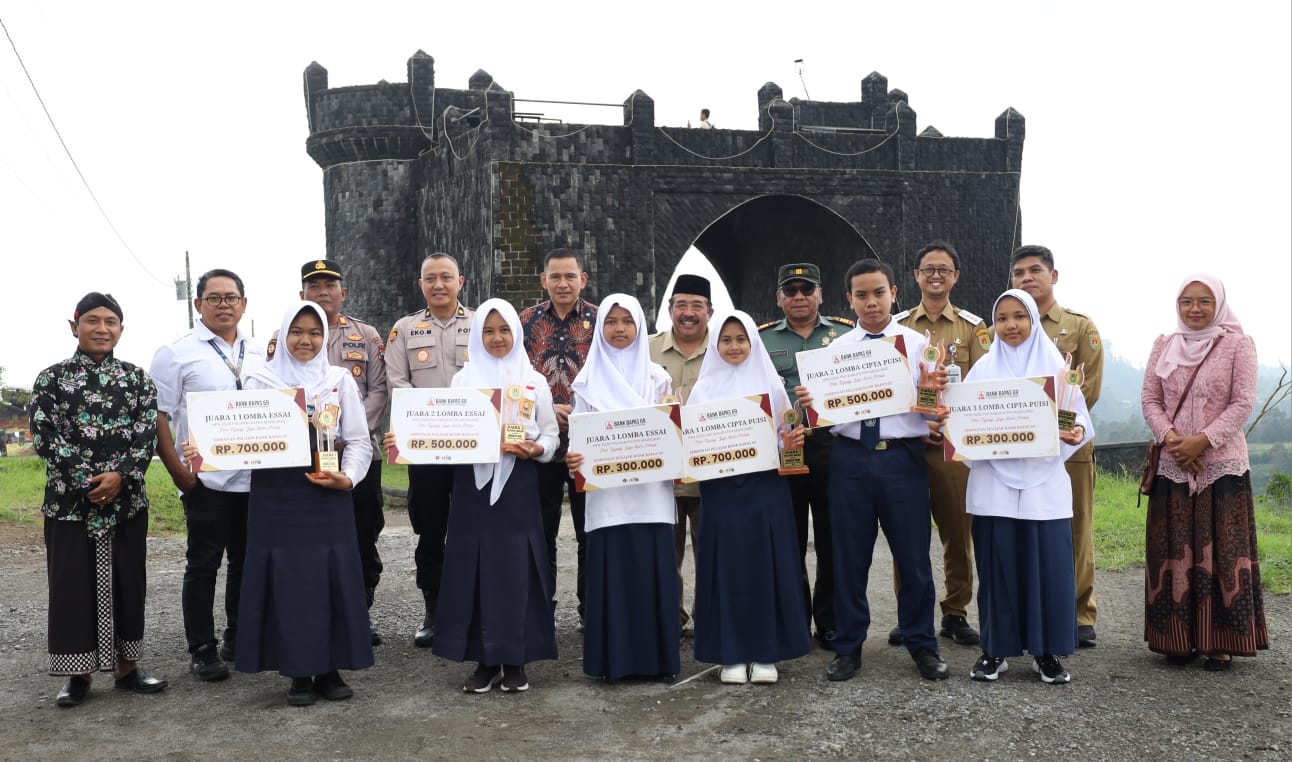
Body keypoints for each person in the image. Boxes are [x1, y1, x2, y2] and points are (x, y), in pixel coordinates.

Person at [203, 302, 374, 705]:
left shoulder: (338, 380)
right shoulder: (261, 380)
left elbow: (360, 440)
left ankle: (330, 669)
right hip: (277, 496)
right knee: (289, 582)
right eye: (297, 331)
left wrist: (346, 477)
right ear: (282, 336)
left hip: (327, 493)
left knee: (329, 577)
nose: (306, 340)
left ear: (325, 337)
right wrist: (205, 449)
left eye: (315, 332)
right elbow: (238, 435)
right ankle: (297, 671)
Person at [797, 258, 949, 682]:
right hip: (849, 458)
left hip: (902, 458)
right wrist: (811, 405)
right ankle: (848, 647)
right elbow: (819, 417)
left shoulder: (918, 346)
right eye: (861, 295)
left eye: (878, 293)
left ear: (894, 293)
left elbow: (934, 410)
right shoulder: (832, 353)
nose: (871, 302)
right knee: (849, 558)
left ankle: (923, 644)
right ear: (849, 299)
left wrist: (935, 407)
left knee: (914, 557)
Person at [31, 292, 167, 707]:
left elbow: (147, 436)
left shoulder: (138, 379)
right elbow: (45, 436)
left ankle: (128, 669)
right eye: (93, 320)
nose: (102, 328)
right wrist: (88, 481)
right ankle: (78, 675)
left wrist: (120, 477)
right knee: (71, 587)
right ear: (74, 326)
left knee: (129, 582)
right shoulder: (50, 380)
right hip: (69, 504)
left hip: (126, 504)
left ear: (121, 330)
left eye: (111, 321)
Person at [425, 299, 559, 693]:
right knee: (475, 567)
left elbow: (550, 434)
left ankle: (515, 658)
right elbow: (446, 432)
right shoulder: (463, 382)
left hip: (518, 482)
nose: (497, 338)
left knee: (517, 567)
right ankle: (484, 659)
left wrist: (537, 449)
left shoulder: (534, 381)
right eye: (488, 331)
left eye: (504, 330)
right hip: (473, 487)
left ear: (516, 334)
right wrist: (414, 440)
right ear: (477, 335)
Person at [963, 289, 1091, 685]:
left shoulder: (1056, 368)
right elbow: (962, 420)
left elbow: (1080, 421)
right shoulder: (983, 370)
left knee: (1047, 569)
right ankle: (995, 650)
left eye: (1019, 316)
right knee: (998, 568)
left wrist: (1075, 433)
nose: (1011, 325)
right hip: (993, 484)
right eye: (1002, 318)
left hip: (1044, 487)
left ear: (1034, 320)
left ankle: (1046, 652)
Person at [1141, 274, 1266, 671]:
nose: (1194, 309)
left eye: (1204, 301)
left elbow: (1242, 402)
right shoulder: (1164, 344)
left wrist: (1204, 441)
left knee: (1222, 555)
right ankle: (1176, 639)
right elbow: (1150, 397)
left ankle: (1220, 642)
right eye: (1186, 302)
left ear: (1219, 305)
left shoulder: (1237, 345)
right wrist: (1174, 439)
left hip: (1222, 467)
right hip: (1173, 466)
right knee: (1172, 553)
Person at [150, 268, 266, 681]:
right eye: (213, 298)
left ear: (244, 304)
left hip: (255, 479)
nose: (223, 304)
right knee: (203, 564)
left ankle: (238, 635)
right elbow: (158, 414)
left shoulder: (260, 351)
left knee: (247, 561)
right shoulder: (176, 352)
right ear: (198, 304)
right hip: (206, 481)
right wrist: (179, 472)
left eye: (231, 297)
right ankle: (202, 648)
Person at [268, 260, 389, 646]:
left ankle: (358, 612)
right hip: (295, 469)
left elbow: (379, 390)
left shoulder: (367, 335)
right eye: (314, 285)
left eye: (330, 285)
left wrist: (336, 433)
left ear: (343, 292)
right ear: (302, 294)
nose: (322, 291)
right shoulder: (277, 345)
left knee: (361, 536)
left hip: (355, 457)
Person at [689, 311, 811, 685]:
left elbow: (782, 435)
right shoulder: (702, 390)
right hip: (721, 492)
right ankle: (730, 654)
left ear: (753, 343)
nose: (734, 346)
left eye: (741, 339)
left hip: (764, 488)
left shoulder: (771, 387)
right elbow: (690, 443)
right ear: (715, 344)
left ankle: (765, 651)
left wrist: (790, 442)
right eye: (726, 340)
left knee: (764, 564)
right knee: (725, 567)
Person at [566, 294, 681, 680]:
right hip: (608, 499)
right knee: (613, 576)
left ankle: (657, 662)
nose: (619, 329)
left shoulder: (658, 378)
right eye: (611, 321)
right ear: (600, 327)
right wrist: (574, 459)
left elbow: (669, 433)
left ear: (638, 326)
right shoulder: (586, 382)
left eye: (627, 321)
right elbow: (578, 441)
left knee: (651, 574)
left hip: (651, 496)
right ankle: (613, 663)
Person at [890, 241, 991, 647]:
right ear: (915, 276)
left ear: (955, 276)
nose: (936, 275)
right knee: (906, 534)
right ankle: (909, 613)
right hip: (909, 443)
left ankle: (955, 611)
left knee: (956, 533)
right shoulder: (897, 328)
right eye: (928, 268)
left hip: (952, 445)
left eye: (944, 269)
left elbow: (984, 385)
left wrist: (946, 425)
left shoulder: (974, 327)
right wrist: (919, 424)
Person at [1010, 245, 1103, 648]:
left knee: (1074, 529)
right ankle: (1034, 611)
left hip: (1070, 449)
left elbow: (1088, 392)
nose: (1026, 278)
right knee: (1026, 529)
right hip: (1018, 452)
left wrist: (1052, 432)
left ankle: (1081, 614)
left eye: (1035, 271)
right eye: (1018, 273)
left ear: (1054, 276)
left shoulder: (1079, 327)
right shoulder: (1008, 322)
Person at [759, 263, 853, 649]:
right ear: (779, 297)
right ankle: (794, 619)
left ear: (821, 294)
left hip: (832, 445)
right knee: (789, 537)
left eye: (806, 290)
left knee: (833, 538)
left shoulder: (845, 335)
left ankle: (829, 622)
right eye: (791, 290)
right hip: (785, 447)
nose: (799, 297)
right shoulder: (761, 340)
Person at [385, 253, 474, 647]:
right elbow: (397, 384)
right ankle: (434, 609)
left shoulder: (482, 324)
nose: (438, 285)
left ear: (461, 281)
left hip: (473, 448)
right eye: (430, 279)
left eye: (446, 277)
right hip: (425, 450)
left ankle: (473, 608)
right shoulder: (404, 330)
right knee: (431, 529)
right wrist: (432, 420)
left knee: (473, 529)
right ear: (420, 284)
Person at [519, 249, 598, 623]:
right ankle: (541, 606)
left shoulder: (602, 322)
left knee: (590, 530)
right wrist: (550, 409)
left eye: (570, 276)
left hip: (590, 444)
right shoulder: (524, 323)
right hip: (541, 443)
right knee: (541, 529)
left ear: (583, 279)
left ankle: (589, 606)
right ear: (543, 280)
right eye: (555, 276)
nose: (563, 283)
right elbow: (516, 380)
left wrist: (578, 411)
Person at [649, 274, 713, 634]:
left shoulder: (725, 348)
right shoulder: (647, 349)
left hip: (709, 472)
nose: (688, 314)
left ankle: (707, 617)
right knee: (664, 554)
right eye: (681, 306)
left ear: (710, 311)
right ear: (670, 310)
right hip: (662, 475)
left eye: (697, 306)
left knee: (709, 552)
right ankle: (671, 618)